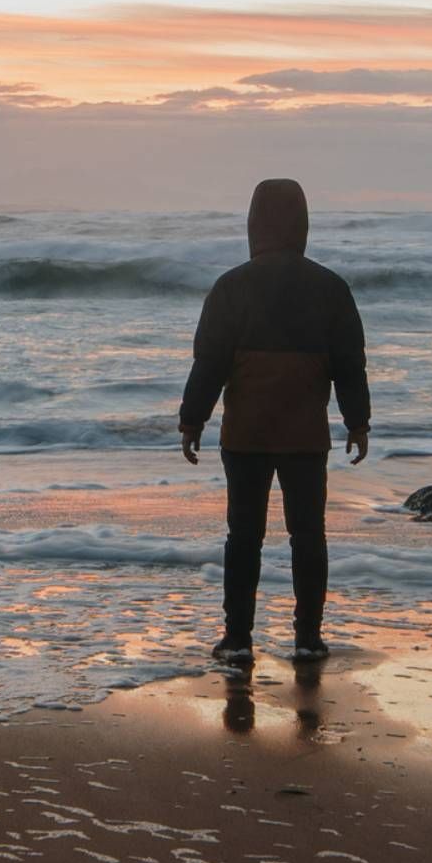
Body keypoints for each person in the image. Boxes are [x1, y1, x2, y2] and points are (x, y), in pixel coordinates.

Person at [177, 178, 371, 664]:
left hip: (247, 433)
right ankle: (308, 638)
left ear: (254, 223)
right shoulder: (330, 287)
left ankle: (238, 639)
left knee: (244, 538)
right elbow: (350, 363)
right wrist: (358, 421)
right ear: (303, 224)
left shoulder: (231, 286)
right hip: (306, 434)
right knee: (309, 536)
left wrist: (192, 419)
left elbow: (210, 363)